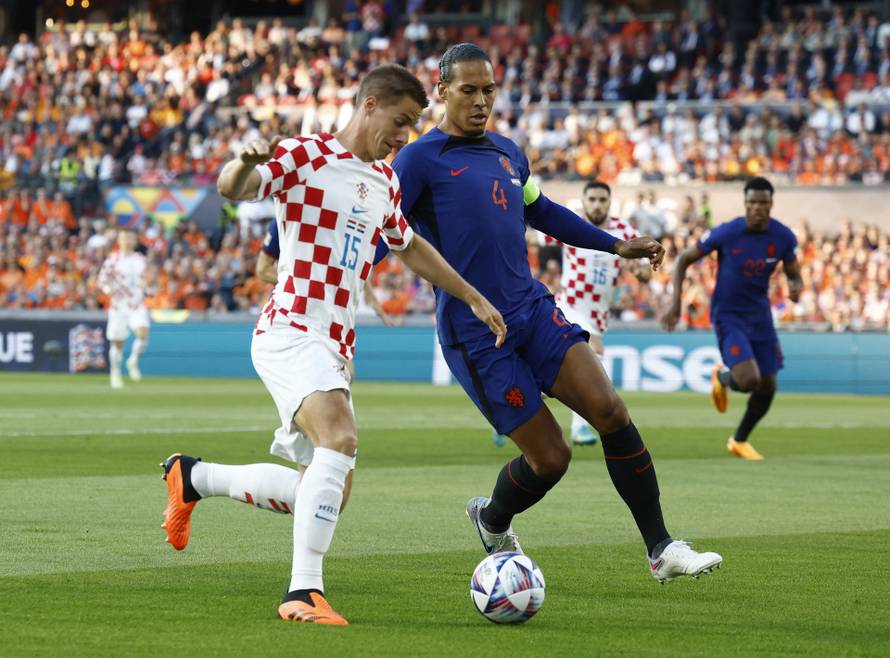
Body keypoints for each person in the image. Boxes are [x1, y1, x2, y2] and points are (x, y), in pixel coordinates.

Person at [160, 64, 506, 626]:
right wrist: (246, 160)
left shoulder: (387, 181)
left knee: (326, 490)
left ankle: (194, 477)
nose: (404, 136)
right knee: (340, 438)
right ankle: (303, 592)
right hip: (292, 326)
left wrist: (470, 295)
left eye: (413, 126)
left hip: (336, 343)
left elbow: (410, 246)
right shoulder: (307, 155)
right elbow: (233, 187)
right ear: (368, 105)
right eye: (399, 122)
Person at [391, 43, 721, 583]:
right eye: (468, 90)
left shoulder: (507, 152)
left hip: (533, 309)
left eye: (489, 90)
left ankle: (661, 550)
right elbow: (388, 230)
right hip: (477, 333)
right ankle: (492, 518)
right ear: (443, 90)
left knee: (611, 411)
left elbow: (542, 211)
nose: (480, 101)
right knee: (552, 460)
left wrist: (615, 245)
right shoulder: (418, 160)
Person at [662, 177, 802, 460]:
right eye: (752, 203)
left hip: (760, 316)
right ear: (745, 203)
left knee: (768, 386)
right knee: (749, 380)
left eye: (763, 203)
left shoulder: (783, 237)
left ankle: (739, 441)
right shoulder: (728, 232)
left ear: (771, 204)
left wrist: (796, 286)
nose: (757, 208)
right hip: (729, 315)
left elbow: (793, 271)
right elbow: (683, 259)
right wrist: (676, 302)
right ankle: (723, 376)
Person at [556, 180, 651, 445]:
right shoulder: (570, 223)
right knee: (594, 354)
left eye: (602, 200)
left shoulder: (624, 230)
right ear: (584, 201)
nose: (597, 205)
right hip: (570, 305)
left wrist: (641, 271)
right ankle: (579, 429)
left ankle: (515, 407)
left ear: (609, 202)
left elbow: (642, 269)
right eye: (592, 199)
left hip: (598, 313)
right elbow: (537, 235)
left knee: (561, 375)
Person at [97, 229, 151, 389]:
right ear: (119, 241)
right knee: (118, 343)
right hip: (118, 306)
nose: (127, 241)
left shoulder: (140, 259)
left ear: (134, 241)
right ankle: (115, 372)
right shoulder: (113, 259)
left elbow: (146, 279)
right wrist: (107, 290)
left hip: (136, 304)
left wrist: (147, 285)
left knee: (143, 333)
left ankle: (133, 360)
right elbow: (101, 280)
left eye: (130, 238)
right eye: (124, 238)